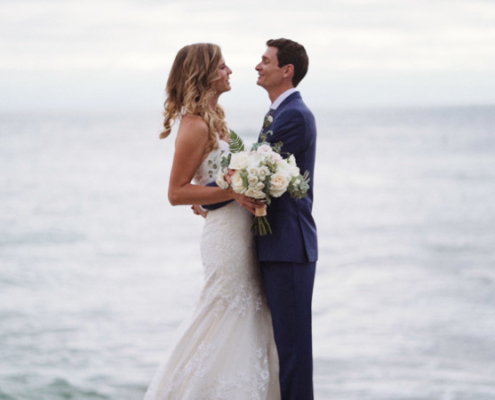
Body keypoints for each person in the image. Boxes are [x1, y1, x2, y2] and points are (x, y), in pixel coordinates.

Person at [143, 43, 280, 399]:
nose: (230, 71)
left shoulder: (216, 120)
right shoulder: (193, 125)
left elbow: (208, 185)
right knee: (224, 311)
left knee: (249, 313)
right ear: (203, 74)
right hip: (226, 241)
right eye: (222, 67)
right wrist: (232, 193)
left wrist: (216, 200)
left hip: (241, 230)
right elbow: (176, 192)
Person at [204, 38, 318, 400]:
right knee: (280, 346)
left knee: (294, 350)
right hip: (275, 246)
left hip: (289, 247)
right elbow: (256, 170)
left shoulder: (294, 116)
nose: (257, 66)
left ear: (287, 70)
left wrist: (207, 199)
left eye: (265, 61)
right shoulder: (277, 113)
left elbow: (256, 170)